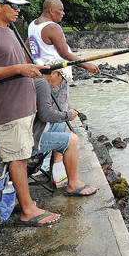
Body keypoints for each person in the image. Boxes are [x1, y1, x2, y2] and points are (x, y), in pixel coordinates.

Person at [0, 0, 60, 227]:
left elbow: (17, 64)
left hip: (22, 106)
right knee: (17, 158)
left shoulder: (7, 31)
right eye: (14, 5)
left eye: (20, 6)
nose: (18, 10)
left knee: (20, 154)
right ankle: (28, 210)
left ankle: (21, 199)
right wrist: (19, 69)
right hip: (6, 110)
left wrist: (35, 68)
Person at [32, 59, 97, 196]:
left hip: (31, 130)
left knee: (63, 127)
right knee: (73, 140)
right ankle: (73, 184)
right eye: (62, 79)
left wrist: (64, 116)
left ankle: (58, 164)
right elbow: (45, 115)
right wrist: (67, 115)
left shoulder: (35, 79)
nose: (61, 84)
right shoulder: (42, 84)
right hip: (30, 138)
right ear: (54, 73)